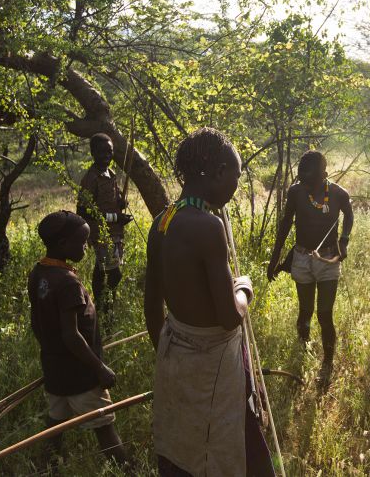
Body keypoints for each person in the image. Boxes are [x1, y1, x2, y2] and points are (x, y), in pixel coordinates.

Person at [144, 127, 273, 477]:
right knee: (220, 444)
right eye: (236, 175)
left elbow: (152, 308)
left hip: (175, 356)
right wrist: (244, 290)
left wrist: (171, 354)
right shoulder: (207, 226)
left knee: (182, 441)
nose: (235, 185)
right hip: (213, 362)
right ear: (217, 173)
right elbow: (230, 318)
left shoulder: (162, 222)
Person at [27, 210, 129, 470]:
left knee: (55, 428)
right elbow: (71, 335)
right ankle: (128, 471)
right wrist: (99, 368)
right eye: (82, 242)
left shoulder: (38, 273)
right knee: (104, 428)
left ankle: (45, 471)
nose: (87, 246)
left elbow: (36, 324)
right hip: (82, 376)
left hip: (55, 373)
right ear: (63, 245)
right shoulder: (68, 283)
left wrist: (52, 355)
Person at [267, 151, 354, 383]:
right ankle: (303, 350)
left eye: (310, 181)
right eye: (302, 180)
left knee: (325, 314)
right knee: (305, 311)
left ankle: (327, 363)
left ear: (324, 174)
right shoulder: (296, 192)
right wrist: (276, 258)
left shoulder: (337, 194)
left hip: (328, 260)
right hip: (302, 258)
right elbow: (286, 223)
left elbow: (349, 214)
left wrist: (343, 241)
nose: (306, 185)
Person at [77, 133, 132, 317]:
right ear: (93, 153)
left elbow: (114, 199)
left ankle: (101, 308)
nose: (107, 156)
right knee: (115, 273)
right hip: (100, 234)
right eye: (102, 152)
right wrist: (116, 218)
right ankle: (104, 305)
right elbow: (84, 210)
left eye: (110, 152)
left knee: (102, 270)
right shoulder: (90, 178)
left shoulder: (112, 175)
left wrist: (121, 203)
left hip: (115, 232)